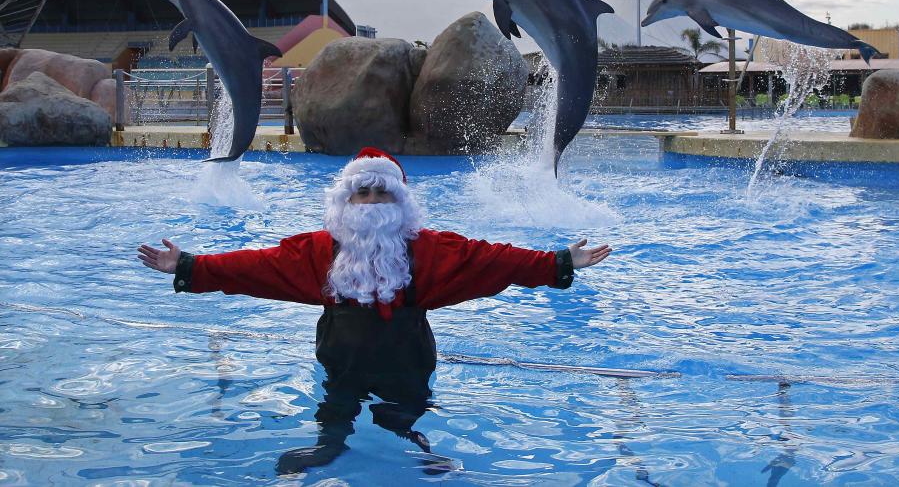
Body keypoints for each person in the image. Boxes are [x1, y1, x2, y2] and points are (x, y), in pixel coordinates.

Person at [138, 147, 612, 474]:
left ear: (399, 201)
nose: (370, 203)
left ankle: (411, 439)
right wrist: (191, 266)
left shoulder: (429, 250)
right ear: (345, 201)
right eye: (361, 194)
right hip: (342, 357)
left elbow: (491, 260)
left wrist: (558, 262)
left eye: (380, 193)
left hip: (406, 358)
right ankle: (330, 444)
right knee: (336, 404)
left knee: (404, 407)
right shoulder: (320, 251)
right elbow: (257, 266)